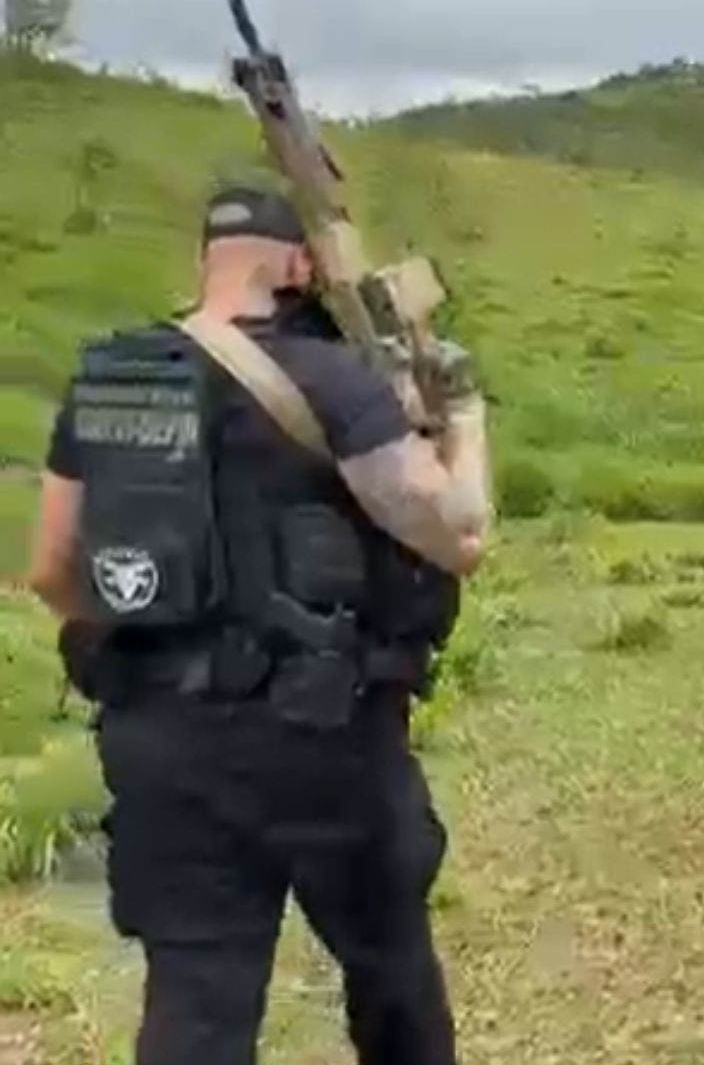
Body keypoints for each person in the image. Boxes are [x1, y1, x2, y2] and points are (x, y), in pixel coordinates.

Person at [25, 185, 492, 1065]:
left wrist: (164, 642)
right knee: (390, 976)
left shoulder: (114, 374)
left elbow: (51, 570)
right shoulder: (334, 379)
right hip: (327, 741)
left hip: (164, 744)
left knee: (195, 1006)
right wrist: (462, 415)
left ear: (206, 263)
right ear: (300, 266)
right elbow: (459, 533)